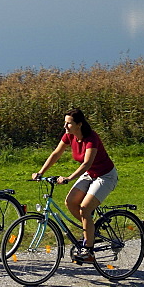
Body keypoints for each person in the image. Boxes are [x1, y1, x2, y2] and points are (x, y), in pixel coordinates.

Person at [32, 109, 118, 262]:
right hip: (90, 174)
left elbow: (87, 163)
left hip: (105, 176)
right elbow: (56, 154)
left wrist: (69, 178)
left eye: (69, 123)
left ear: (79, 124)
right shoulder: (69, 136)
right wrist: (40, 172)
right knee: (70, 202)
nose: (65, 126)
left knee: (85, 208)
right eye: (65, 122)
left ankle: (89, 252)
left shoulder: (91, 138)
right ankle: (90, 232)